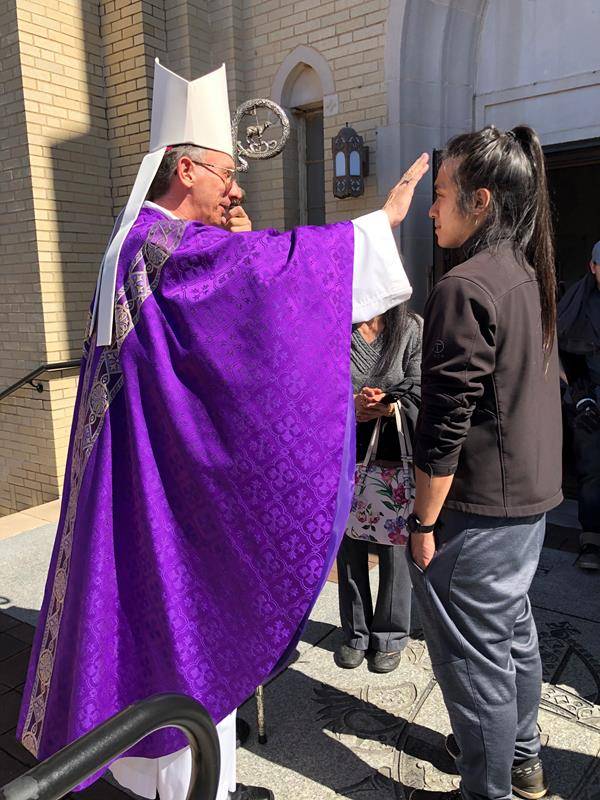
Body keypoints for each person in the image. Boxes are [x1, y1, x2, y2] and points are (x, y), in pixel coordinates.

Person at [17, 58, 430, 800]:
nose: (234, 187)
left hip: (139, 475)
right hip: (158, 498)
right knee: (173, 650)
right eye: (223, 172)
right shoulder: (162, 247)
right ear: (183, 168)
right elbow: (258, 286)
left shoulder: (133, 241)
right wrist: (378, 229)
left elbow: (221, 329)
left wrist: (248, 245)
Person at [405, 125, 562, 800]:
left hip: (479, 509)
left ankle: (491, 785)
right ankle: (520, 759)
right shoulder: (525, 273)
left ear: (482, 201)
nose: (430, 209)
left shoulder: (465, 286)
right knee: (510, 637)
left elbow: (446, 423)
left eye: (440, 195)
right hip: (527, 500)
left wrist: (421, 522)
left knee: (476, 668)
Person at [335, 304, 422, 673]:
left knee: (395, 547)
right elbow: (318, 381)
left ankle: (389, 635)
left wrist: (390, 406)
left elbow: (421, 385)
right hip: (344, 448)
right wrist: (351, 405)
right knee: (348, 542)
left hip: (393, 454)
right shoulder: (337, 323)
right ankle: (355, 632)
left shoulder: (411, 327)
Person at [557, 241, 600, 570]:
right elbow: (564, 353)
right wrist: (582, 398)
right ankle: (592, 542)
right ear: (593, 267)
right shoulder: (576, 303)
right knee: (591, 471)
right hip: (588, 396)